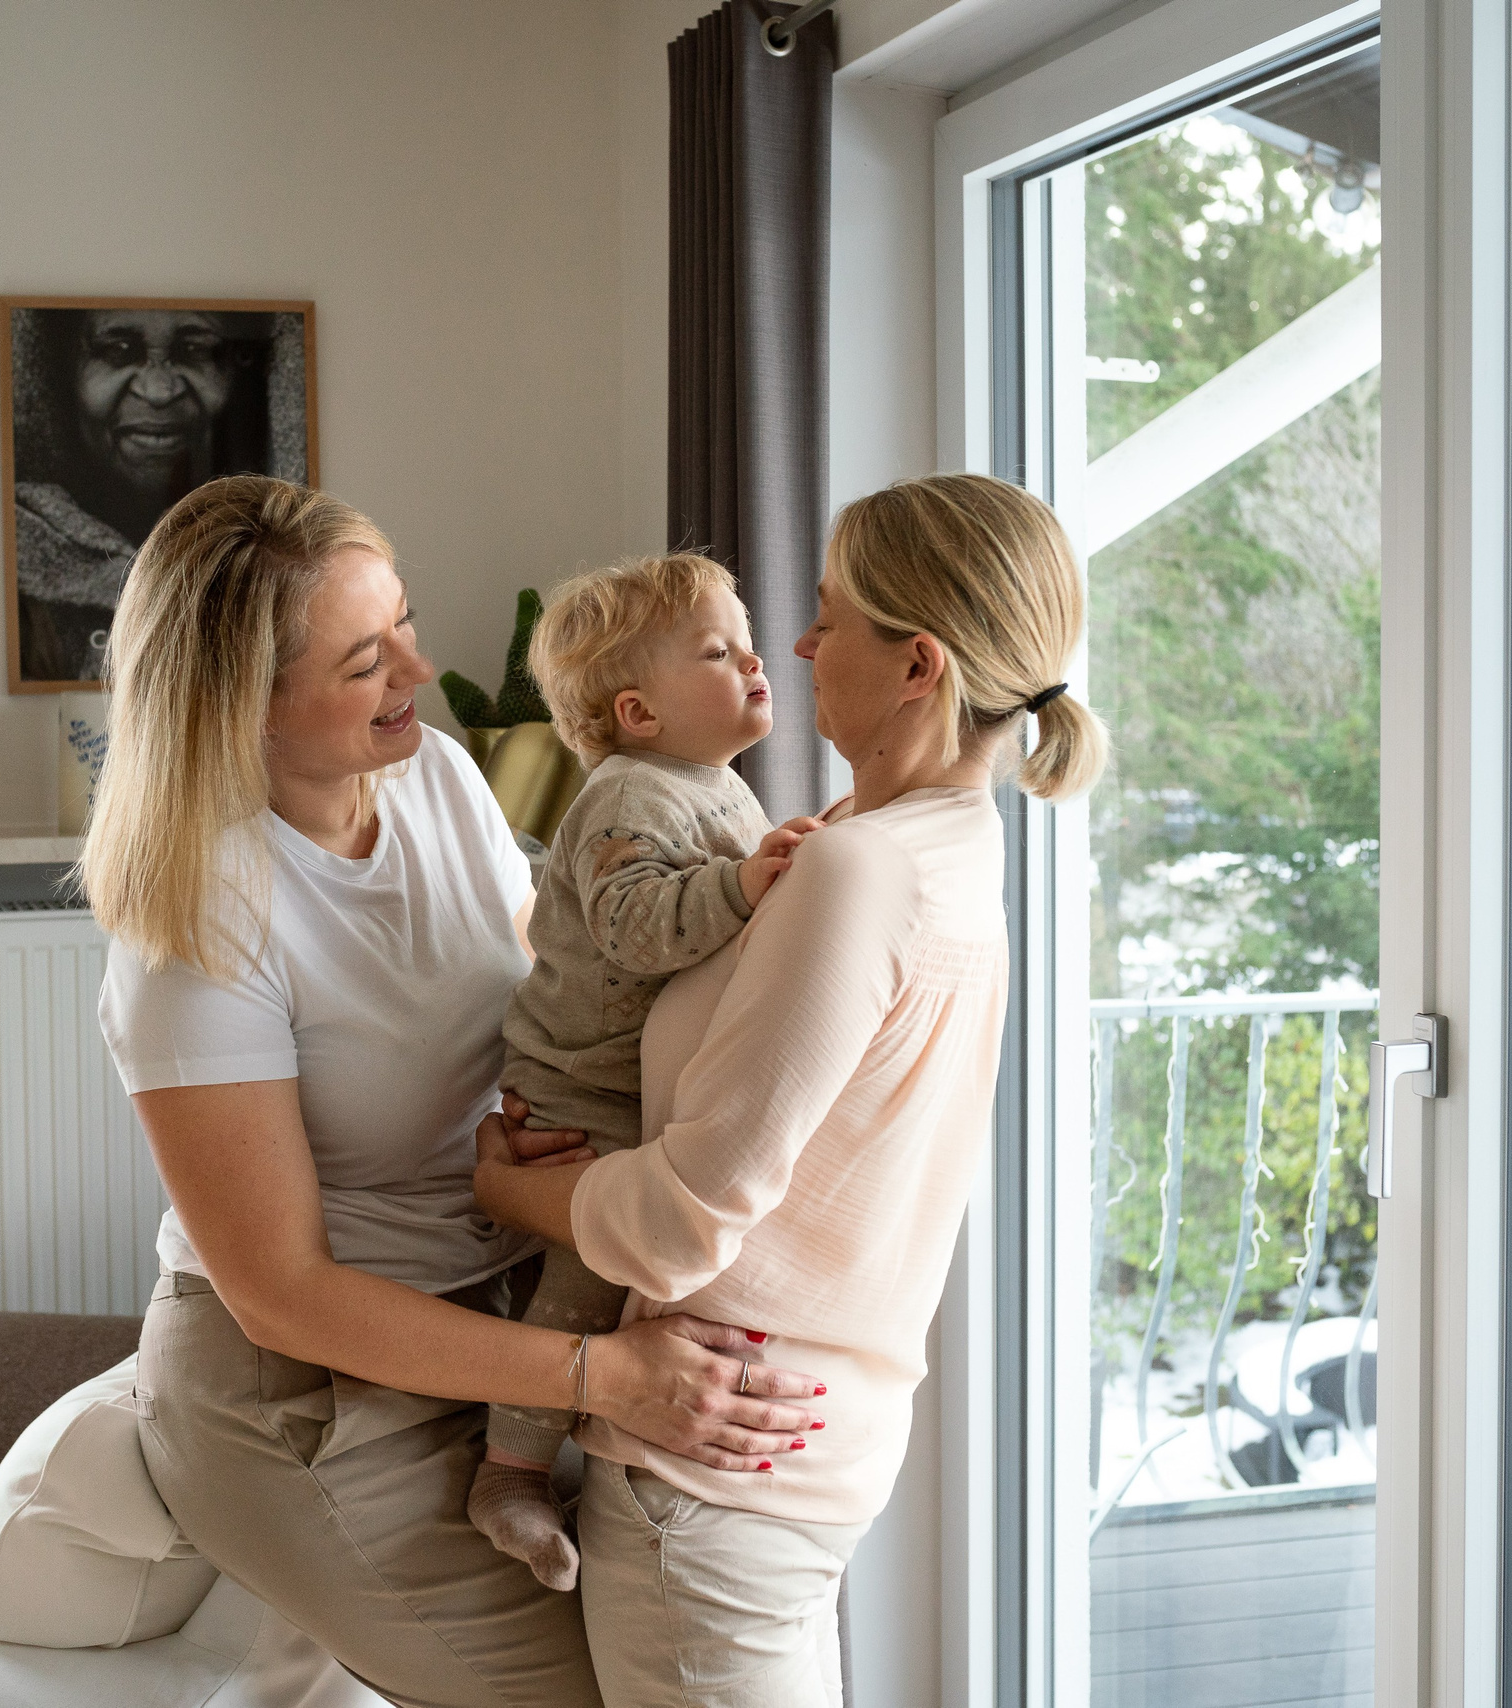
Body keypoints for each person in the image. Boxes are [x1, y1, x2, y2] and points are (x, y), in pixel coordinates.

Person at [79, 475, 826, 1708]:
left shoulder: (432, 778)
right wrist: (602, 1379)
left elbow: (552, 991)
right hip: (309, 1405)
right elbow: (281, 1296)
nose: (420, 672)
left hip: (504, 1330)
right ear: (242, 706)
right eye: (367, 660)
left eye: (405, 625)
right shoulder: (197, 928)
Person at [476, 472, 1107, 1708]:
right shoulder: (939, 849)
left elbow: (674, 1226)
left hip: (712, 1473)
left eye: (828, 618)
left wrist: (504, 1185)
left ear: (918, 664)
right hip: (802, 1447)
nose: (803, 645)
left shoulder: (856, 870)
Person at [468, 554, 818, 1590]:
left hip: (632, 1085)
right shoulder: (628, 797)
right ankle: (510, 1473)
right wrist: (745, 883)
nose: (755, 658)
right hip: (580, 1089)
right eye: (717, 651)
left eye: (743, 638)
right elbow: (632, 928)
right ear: (638, 711)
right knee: (584, 1281)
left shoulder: (711, 783)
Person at [13, 307, 267, 682]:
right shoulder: (7, 563)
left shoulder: (277, 554)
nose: (159, 392)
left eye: (196, 351)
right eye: (118, 350)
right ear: (59, 373)